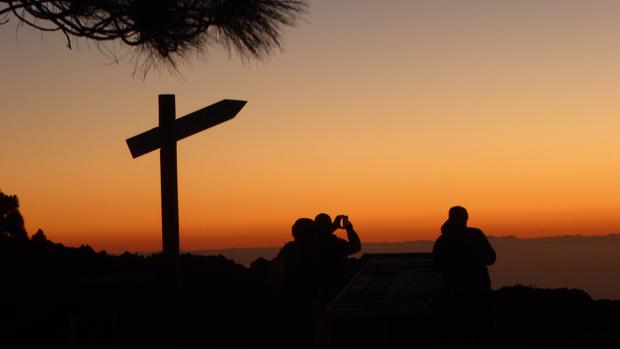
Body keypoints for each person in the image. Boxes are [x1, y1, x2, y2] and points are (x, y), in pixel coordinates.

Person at [432, 206, 496, 290]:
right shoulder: (476, 235)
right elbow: (491, 258)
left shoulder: (442, 240)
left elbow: (438, 264)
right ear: (466, 218)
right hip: (479, 287)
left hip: (454, 289)